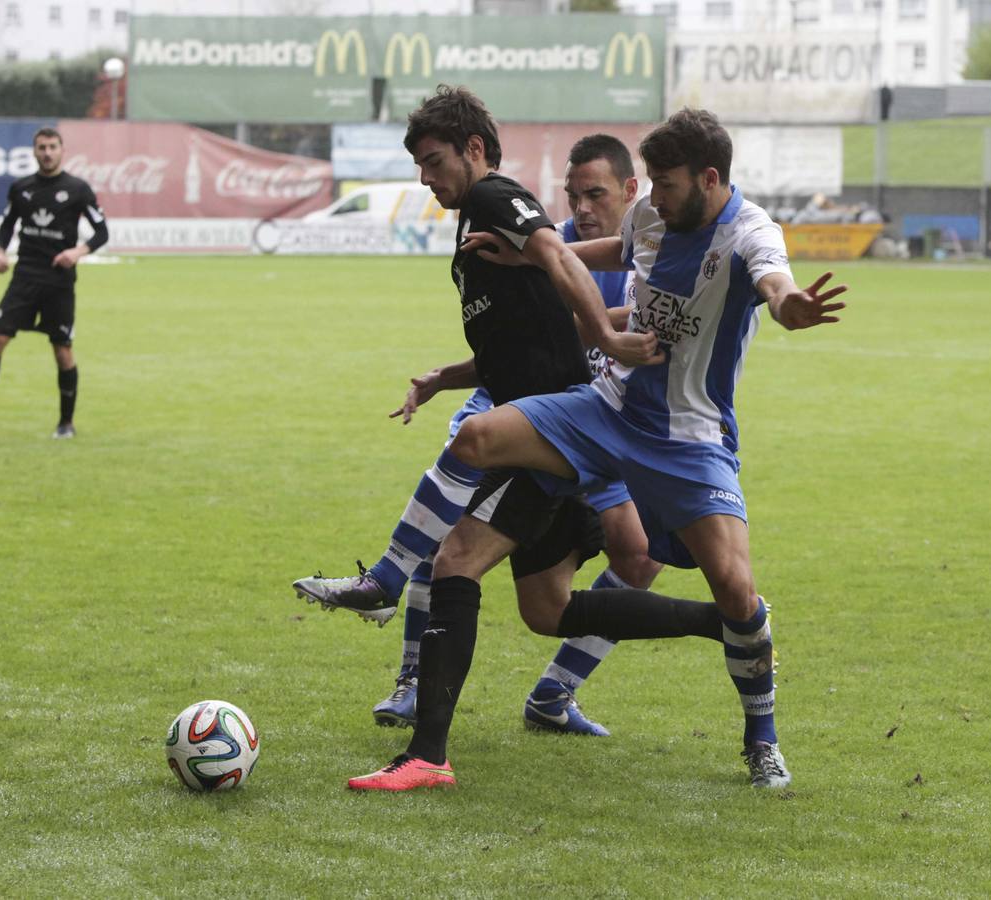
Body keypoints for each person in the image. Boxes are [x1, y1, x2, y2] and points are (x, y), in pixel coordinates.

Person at [354, 107, 848, 792]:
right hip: (606, 410)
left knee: (736, 592)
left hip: (687, 438)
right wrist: (525, 254)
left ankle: (760, 737)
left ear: (708, 179)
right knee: (476, 439)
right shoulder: (651, 214)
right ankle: (398, 617)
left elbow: (773, 280)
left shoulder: (749, 231)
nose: (650, 195)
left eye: (665, 183)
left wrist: (788, 305)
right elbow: (618, 249)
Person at [294, 134, 663, 737]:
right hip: (521, 409)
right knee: (449, 539)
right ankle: (413, 679)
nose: (581, 208)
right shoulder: (552, 244)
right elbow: (535, 335)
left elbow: (613, 327)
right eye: (572, 196)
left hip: (596, 421)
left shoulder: (642, 257)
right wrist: (451, 375)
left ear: (631, 190)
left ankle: (554, 693)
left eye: (594, 194)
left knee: (634, 554)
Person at [0, 127, 108, 440]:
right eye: (41, 148)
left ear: (62, 150)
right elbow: (8, 224)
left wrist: (77, 251)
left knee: (62, 351)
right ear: (34, 152)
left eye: (52, 147)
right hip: (24, 278)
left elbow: (102, 232)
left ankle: (66, 423)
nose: (47, 153)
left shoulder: (78, 189)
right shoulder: (21, 188)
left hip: (59, 283)